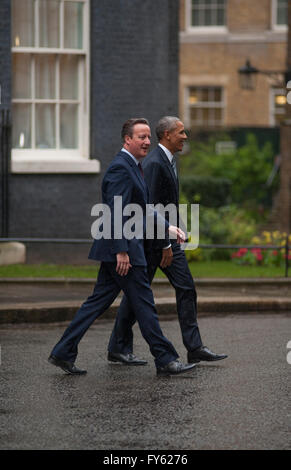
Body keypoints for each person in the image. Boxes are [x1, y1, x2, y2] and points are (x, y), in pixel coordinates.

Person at [48, 118, 196, 377]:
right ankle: (166, 358)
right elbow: (116, 212)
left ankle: (63, 351)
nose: (147, 142)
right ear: (127, 139)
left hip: (121, 248)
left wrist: (168, 228)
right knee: (144, 304)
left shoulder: (134, 166)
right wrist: (121, 251)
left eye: (149, 137)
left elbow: (145, 208)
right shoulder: (121, 168)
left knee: (96, 303)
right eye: (141, 137)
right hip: (124, 250)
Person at [108, 116, 227, 364]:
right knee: (137, 296)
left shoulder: (168, 160)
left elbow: (167, 205)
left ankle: (194, 347)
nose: (185, 137)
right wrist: (164, 242)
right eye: (181, 132)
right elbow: (148, 208)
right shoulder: (154, 163)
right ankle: (119, 347)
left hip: (166, 239)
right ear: (167, 135)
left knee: (184, 288)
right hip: (154, 243)